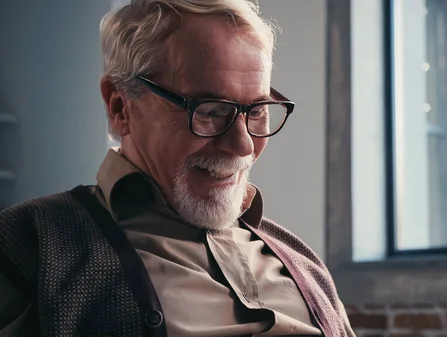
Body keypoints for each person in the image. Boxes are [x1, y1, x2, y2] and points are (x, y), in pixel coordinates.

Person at [0, 1, 355, 336]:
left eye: (258, 111)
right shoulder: (27, 245)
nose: (244, 145)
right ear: (120, 106)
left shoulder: (302, 260)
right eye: (210, 110)